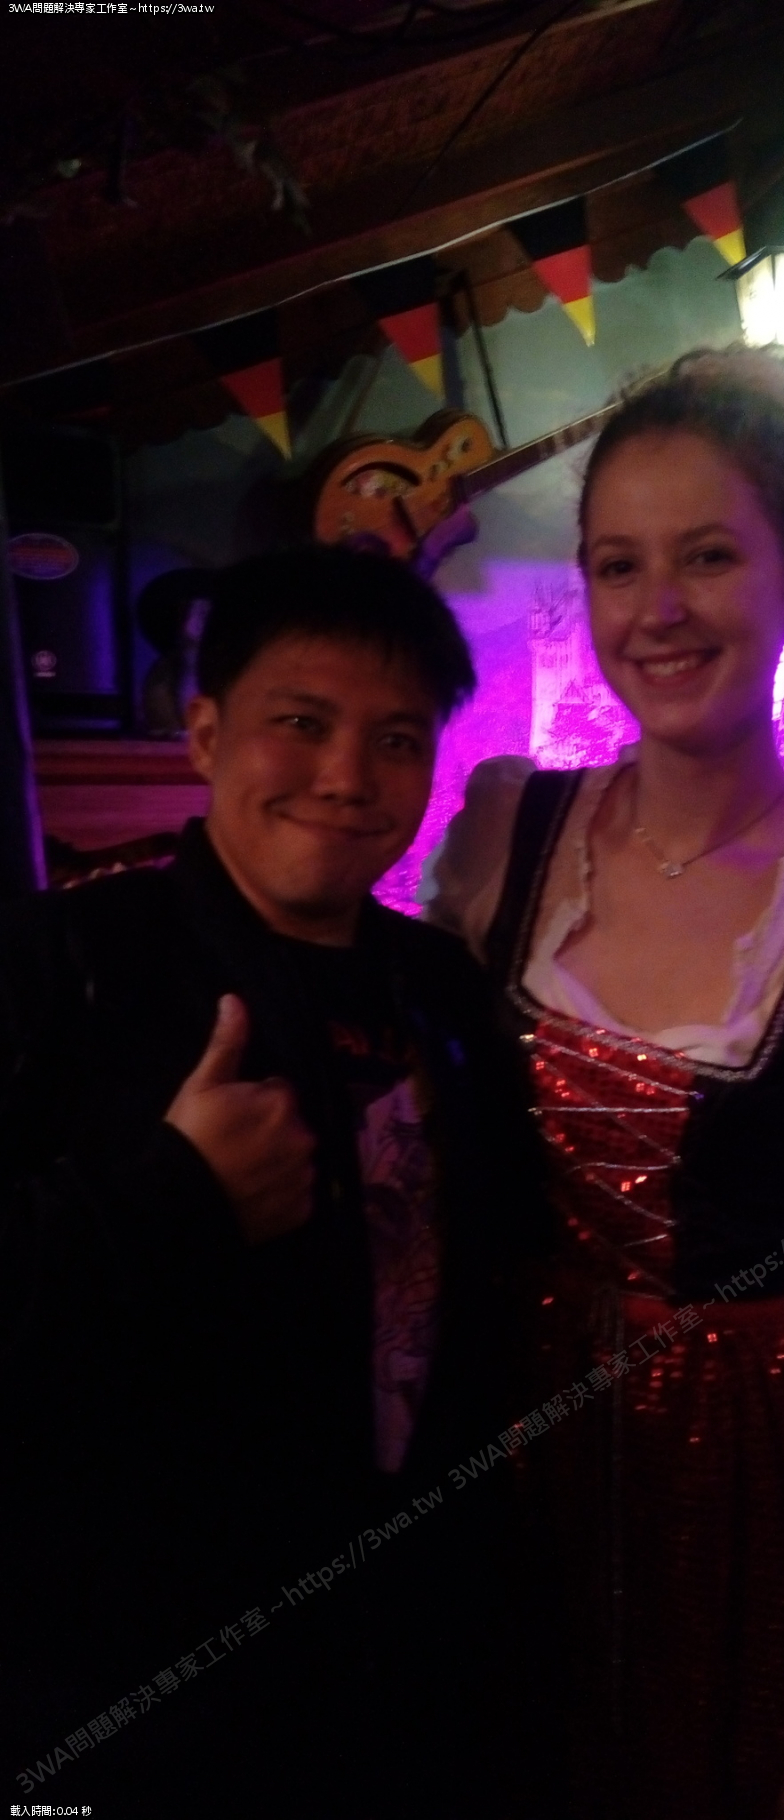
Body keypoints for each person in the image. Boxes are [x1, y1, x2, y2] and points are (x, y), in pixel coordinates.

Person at [422, 348, 784, 1818]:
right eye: (618, 564)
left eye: (708, 556)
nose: (658, 608)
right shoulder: (508, 830)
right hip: (509, 1452)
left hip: (743, 1480)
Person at [0, 546, 549, 1820]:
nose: (347, 776)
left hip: (400, 1659)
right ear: (205, 733)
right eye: (299, 722)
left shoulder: (442, 988)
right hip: (135, 1691)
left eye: (396, 739)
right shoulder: (61, 962)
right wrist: (173, 1193)